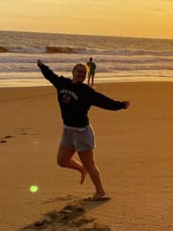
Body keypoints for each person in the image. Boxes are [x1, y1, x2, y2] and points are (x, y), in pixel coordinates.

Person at [37, 59, 129, 200]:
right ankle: (81, 169)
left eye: (84, 73)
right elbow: (50, 76)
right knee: (62, 161)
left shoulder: (87, 91)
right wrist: (42, 66)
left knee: (90, 164)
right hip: (68, 131)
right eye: (79, 71)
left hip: (82, 133)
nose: (81, 74)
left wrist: (120, 105)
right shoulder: (62, 83)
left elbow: (103, 101)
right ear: (73, 72)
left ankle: (100, 192)